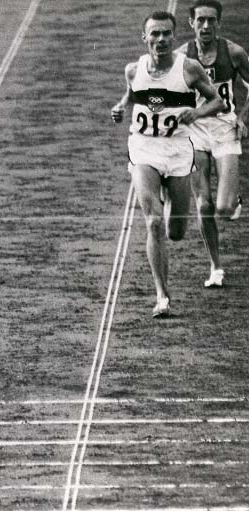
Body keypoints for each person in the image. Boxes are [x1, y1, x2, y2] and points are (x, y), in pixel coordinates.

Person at [111, 11, 224, 317]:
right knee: (154, 222)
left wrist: (196, 113)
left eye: (166, 34)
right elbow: (131, 95)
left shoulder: (189, 68)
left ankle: (170, 200)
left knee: (176, 231)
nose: (160, 39)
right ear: (144, 38)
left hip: (177, 151)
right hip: (144, 149)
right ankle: (162, 295)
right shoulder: (133, 69)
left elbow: (218, 101)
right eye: (155, 34)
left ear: (174, 37)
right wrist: (120, 107)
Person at [176, 0, 249, 288]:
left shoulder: (233, 53)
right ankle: (215, 267)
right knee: (204, 204)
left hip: (224, 127)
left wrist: (243, 118)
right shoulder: (182, 56)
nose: (205, 26)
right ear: (191, 23)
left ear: (218, 23)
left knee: (224, 208)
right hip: (195, 131)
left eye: (211, 20)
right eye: (200, 20)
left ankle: (234, 200)